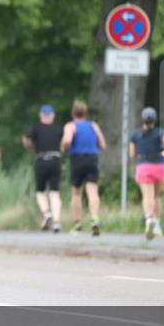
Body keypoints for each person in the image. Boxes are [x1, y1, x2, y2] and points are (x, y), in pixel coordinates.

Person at [61, 99, 107, 236]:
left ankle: (77, 225)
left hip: (78, 158)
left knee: (76, 193)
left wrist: (63, 147)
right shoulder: (93, 125)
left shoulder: (70, 126)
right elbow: (103, 145)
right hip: (92, 158)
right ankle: (94, 218)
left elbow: (68, 140)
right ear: (85, 113)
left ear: (73, 113)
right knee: (93, 190)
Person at [130, 107, 164, 240]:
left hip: (144, 165)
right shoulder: (160, 132)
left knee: (147, 196)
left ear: (142, 119)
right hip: (159, 166)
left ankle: (148, 219)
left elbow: (132, 154)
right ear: (155, 120)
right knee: (156, 197)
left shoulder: (135, 134)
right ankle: (157, 225)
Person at [23, 104, 64, 233]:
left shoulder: (36, 127)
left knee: (40, 191)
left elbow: (26, 139)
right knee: (55, 192)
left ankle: (46, 212)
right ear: (53, 115)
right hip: (55, 160)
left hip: (41, 160)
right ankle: (56, 222)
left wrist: (30, 146)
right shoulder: (59, 128)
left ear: (41, 115)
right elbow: (64, 143)